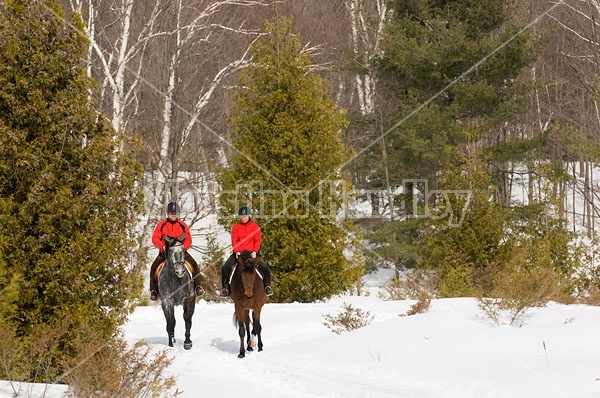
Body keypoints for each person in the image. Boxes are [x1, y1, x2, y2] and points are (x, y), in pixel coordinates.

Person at [149, 202, 205, 300]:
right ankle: (153, 290)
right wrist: (162, 246)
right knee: (153, 267)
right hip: (165, 253)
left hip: (180, 253)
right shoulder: (161, 225)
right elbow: (155, 238)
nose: (173, 215)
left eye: (175, 213)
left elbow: (188, 239)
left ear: (178, 214)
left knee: (194, 265)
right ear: (167, 213)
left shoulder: (183, 225)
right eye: (171, 213)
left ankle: (198, 286)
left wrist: (183, 247)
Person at [221, 206, 273, 297]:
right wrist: (237, 251)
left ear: (249, 216)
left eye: (244, 216)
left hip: (252, 254)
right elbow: (234, 240)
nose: (243, 218)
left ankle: (267, 286)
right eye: (241, 216)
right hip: (239, 254)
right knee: (225, 267)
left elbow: (257, 240)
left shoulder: (255, 227)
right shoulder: (236, 227)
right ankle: (225, 288)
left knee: (265, 268)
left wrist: (254, 251)